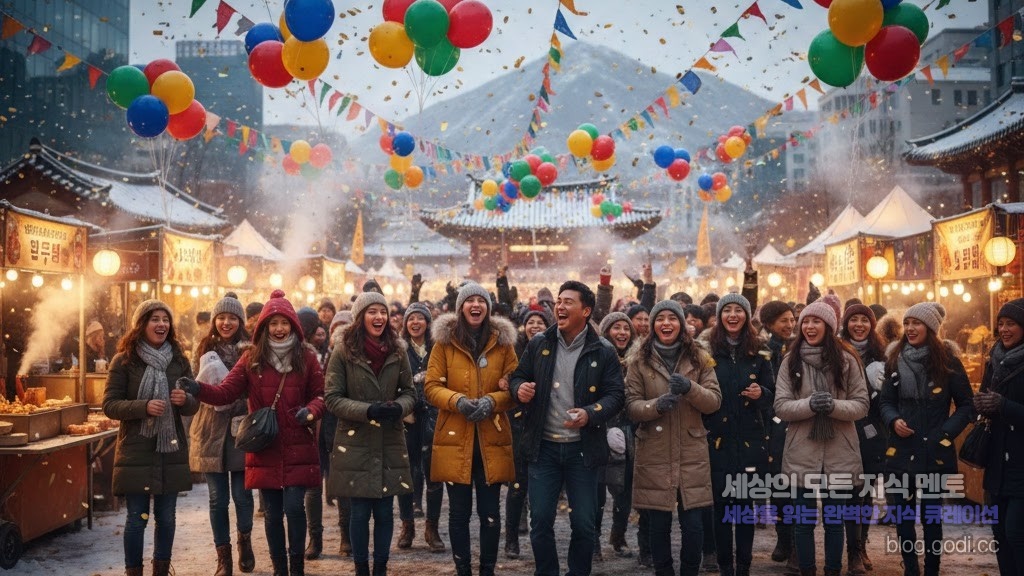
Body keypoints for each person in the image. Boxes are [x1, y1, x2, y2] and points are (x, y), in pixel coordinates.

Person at [180, 289, 326, 576]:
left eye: (284, 323)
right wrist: (199, 388)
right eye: (273, 323)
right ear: (264, 327)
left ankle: (296, 567)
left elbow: (321, 396)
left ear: (293, 325)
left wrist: (310, 411)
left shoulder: (307, 358)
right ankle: (279, 568)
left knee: (295, 508)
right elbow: (225, 392)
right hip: (266, 444)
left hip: (298, 443)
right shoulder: (251, 358)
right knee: (272, 514)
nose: (279, 329)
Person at [510, 280, 625, 576]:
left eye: (568, 302)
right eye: (559, 301)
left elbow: (615, 395)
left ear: (585, 311)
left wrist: (591, 413)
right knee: (540, 522)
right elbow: (517, 378)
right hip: (544, 447)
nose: (560, 307)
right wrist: (520, 388)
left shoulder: (603, 350)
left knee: (585, 525)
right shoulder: (539, 344)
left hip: (582, 451)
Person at [426, 283, 519, 576]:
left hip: (492, 436)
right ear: (461, 307)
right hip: (455, 436)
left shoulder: (503, 344)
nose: (476, 305)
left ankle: (487, 570)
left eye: (482, 300)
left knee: (491, 513)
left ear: (488, 308)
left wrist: (493, 401)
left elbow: (515, 385)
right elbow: (431, 386)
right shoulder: (445, 343)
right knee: (458, 514)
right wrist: (458, 401)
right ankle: (463, 569)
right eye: (470, 301)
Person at [624, 299, 721, 576]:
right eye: (660, 318)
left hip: (691, 450)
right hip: (654, 450)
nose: (666, 323)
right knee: (658, 523)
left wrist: (691, 388)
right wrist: (655, 406)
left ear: (682, 324)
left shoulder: (699, 358)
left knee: (693, 525)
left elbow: (714, 401)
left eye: (672, 318)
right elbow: (631, 405)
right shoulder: (638, 361)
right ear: (653, 326)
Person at [103, 300, 199, 576]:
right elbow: (110, 404)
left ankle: (161, 570)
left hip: (170, 449)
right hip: (136, 451)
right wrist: (142, 407)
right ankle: (133, 571)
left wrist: (186, 399)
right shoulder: (124, 361)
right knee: (136, 519)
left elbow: (194, 402)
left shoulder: (179, 360)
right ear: (141, 325)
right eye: (154, 319)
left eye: (165, 320)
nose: (161, 325)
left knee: (166, 518)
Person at [325, 291, 417, 576]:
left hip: (389, 440)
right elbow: (332, 398)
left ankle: (380, 567)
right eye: (371, 312)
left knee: (385, 511)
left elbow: (410, 393)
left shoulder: (397, 350)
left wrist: (398, 408)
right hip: (355, 442)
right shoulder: (343, 352)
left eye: (382, 312)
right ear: (360, 317)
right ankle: (361, 568)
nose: (378, 317)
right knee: (360, 511)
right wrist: (367, 410)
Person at [774, 300, 869, 576]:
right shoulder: (790, 361)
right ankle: (806, 570)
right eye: (805, 321)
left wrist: (834, 407)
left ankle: (832, 571)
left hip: (840, 451)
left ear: (829, 326)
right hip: (801, 451)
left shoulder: (847, 359)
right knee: (803, 521)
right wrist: (809, 404)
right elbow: (781, 405)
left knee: (834, 520)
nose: (809, 326)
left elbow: (861, 404)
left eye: (816, 321)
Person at [879, 302, 973, 576]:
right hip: (900, 451)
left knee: (931, 517)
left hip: (935, 452)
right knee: (903, 517)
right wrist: (893, 420)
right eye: (907, 323)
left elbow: (967, 404)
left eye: (916, 323)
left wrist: (945, 432)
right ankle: (910, 568)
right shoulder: (895, 358)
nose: (910, 328)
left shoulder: (947, 361)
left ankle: (932, 569)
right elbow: (886, 401)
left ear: (930, 328)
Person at [705, 294, 775, 576]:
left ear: (747, 316)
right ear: (720, 316)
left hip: (750, 439)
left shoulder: (760, 352)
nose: (733, 315)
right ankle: (724, 565)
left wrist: (761, 394)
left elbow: (772, 395)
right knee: (721, 508)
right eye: (727, 310)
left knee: (744, 507)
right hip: (717, 438)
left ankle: (744, 566)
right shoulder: (706, 350)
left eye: (739, 310)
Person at [188, 294, 255, 576]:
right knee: (217, 499)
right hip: (211, 428)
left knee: (242, 496)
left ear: (240, 322)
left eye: (232, 318)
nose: (226, 322)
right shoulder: (202, 348)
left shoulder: (250, 350)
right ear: (214, 321)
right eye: (222, 317)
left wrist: (236, 399)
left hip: (241, 428)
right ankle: (223, 558)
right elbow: (196, 384)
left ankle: (245, 542)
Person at [975, 298, 1024, 576]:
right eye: (1001, 324)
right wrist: (981, 404)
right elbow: (985, 394)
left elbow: (1003, 404)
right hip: (997, 461)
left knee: (1016, 532)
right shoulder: (995, 358)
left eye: (1012, 324)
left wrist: (1003, 406)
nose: (1004, 330)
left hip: (1021, 460)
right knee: (1000, 536)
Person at [838, 304, 888, 574]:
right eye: (853, 320)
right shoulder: (835, 351)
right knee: (848, 492)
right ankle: (851, 550)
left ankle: (861, 547)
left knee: (865, 492)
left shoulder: (883, 355)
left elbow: (889, 395)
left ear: (872, 324)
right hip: (842, 429)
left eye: (864, 320)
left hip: (871, 431)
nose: (859, 325)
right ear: (846, 324)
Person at [397, 302, 446, 553]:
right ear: (405, 324)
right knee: (405, 474)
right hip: (407, 420)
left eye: (420, 318)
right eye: (411, 319)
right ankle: (407, 526)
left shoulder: (438, 348)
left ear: (428, 323)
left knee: (434, 475)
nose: (415, 322)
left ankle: (432, 527)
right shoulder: (399, 349)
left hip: (434, 418)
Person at [596, 311, 640, 561]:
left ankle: (618, 535)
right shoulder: (595, 356)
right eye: (616, 328)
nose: (622, 332)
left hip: (630, 430)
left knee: (624, 491)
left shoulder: (638, 359)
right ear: (606, 332)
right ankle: (593, 541)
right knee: (597, 491)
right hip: (600, 428)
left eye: (626, 328)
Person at [758, 300, 798, 571]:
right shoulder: (762, 352)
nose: (790, 324)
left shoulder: (799, 348)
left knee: (798, 485)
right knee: (777, 485)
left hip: (796, 422)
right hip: (770, 425)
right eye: (783, 320)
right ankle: (783, 538)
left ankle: (796, 541)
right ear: (770, 324)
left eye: (792, 319)